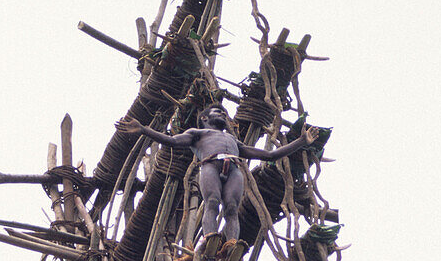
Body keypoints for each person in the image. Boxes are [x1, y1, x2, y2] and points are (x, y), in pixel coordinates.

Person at [118, 104, 319, 243]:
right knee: (212, 202)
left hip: (233, 168)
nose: (223, 115)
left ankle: (231, 243)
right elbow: (172, 141)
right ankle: (211, 238)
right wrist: (144, 129)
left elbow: (269, 155)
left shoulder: (234, 142)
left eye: (224, 113)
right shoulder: (197, 133)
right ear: (204, 118)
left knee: (232, 208)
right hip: (210, 165)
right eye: (218, 112)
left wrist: (301, 142)